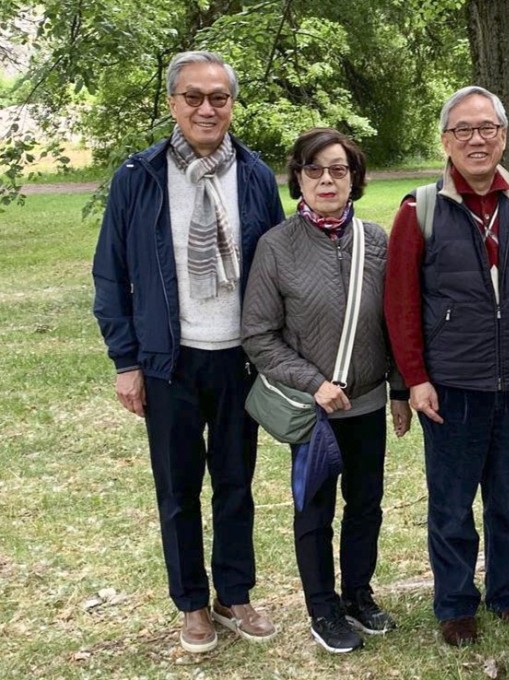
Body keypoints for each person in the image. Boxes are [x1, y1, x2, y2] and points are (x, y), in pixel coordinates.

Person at [92, 51, 284, 653]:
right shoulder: (139, 176)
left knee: (236, 483)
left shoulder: (254, 174)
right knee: (178, 490)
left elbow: (276, 267)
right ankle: (192, 603)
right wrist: (126, 362)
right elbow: (110, 274)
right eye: (194, 97)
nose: (207, 108)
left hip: (238, 358)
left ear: (231, 104)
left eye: (218, 98)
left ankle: (234, 594)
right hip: (167, 361)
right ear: (174, 103)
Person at [241, 128, 412, 654]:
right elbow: (258, 335)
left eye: (338, 169)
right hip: (312, 412)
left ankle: (358, 594)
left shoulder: (376, 241)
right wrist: (313, 383)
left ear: (354, 178)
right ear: (298, 178)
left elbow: (397, 322)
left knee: (366, 505)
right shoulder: (276, 246)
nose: (326, 180)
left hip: (368, 402)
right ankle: (322, 607)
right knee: (314, 511)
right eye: (314, 170)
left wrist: (399, 390)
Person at [384, 85, 509, 647]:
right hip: (451, 385)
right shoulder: (419, 209)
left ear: (504, 136)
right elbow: (400, 303)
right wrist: (414, 380)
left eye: (486, 128)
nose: (477, 140)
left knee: (508, 500)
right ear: (446, 141)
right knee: (451, 504)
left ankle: (506, 594)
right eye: (463, 130)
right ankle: (454, 603)